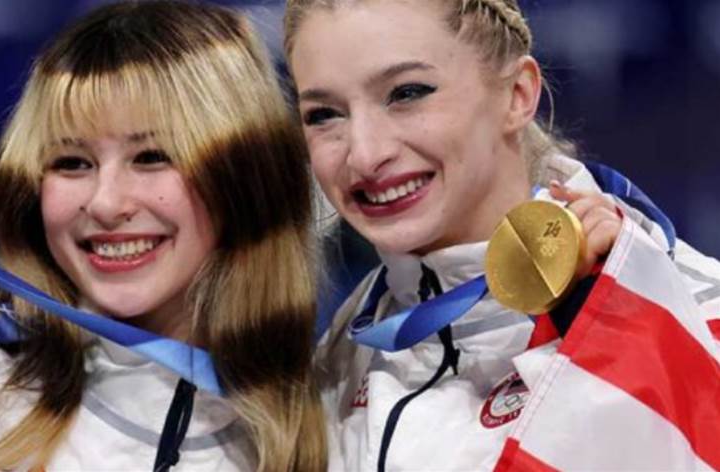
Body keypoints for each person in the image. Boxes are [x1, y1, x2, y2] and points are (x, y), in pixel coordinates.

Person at [0, 1, 326, 470]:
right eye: (72, 163)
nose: (105, 203)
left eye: (151, 157)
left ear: (246, 176)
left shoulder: (333, 420)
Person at [283, 0, 720, 470]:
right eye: (323, 115)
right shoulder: (338, 360)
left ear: (517, 94)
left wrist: (614, 343)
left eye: (407, 93)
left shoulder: (696, 317)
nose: (365, 155)